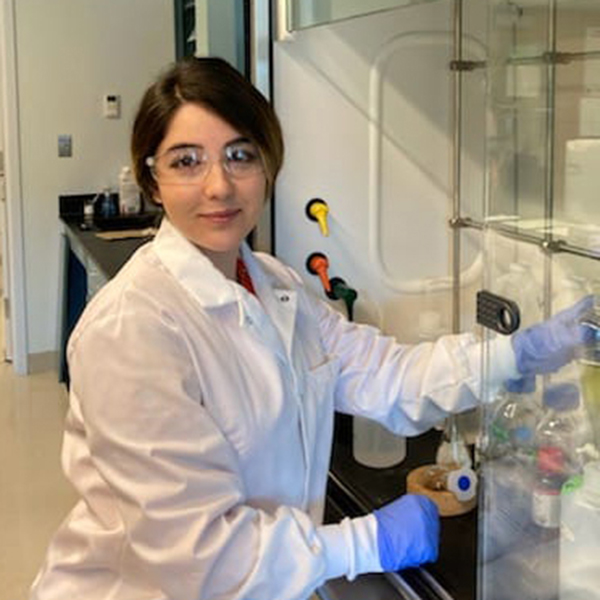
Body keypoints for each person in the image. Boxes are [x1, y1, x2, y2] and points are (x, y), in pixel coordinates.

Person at [30, 57, 592, 600]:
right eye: (186, 161)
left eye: (240, 155)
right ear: (152, 182)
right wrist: (364, 542)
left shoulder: (275, 285)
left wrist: (520, 354)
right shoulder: (132, 328)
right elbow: (202, 559)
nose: (219, 186)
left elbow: (389, 375)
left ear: (267, 165)